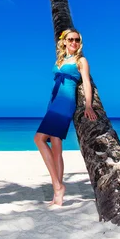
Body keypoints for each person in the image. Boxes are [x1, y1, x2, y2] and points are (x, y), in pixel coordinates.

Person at [34, 28, 97, 206]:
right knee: (55, 146)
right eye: (70, 40)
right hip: (53, 103)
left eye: (77, 40)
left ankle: (57, 185)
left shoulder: (81, 60)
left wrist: (88, 105)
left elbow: (86, 82)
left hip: (65, 102)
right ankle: (57, 195)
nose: (74, 43)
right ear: (64, 41)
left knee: (38, 139)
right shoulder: (60, 60)